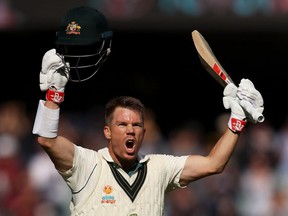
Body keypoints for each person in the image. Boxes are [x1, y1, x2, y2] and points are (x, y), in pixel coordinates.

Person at [32, 6, 265, 216]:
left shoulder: (158, 168)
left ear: (144, 131)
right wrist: (54, 94)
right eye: (122, 125)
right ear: (107, 131)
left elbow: (214, 164)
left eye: (136, 125)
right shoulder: (87, 165)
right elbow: (47, 140)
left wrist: (237, 119)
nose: (130, 131)